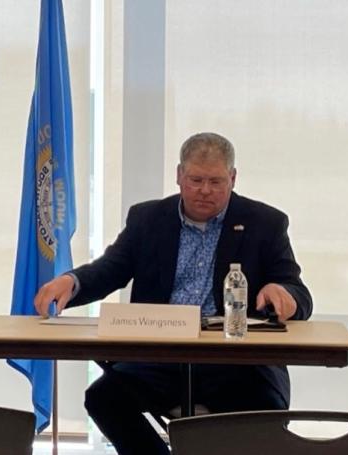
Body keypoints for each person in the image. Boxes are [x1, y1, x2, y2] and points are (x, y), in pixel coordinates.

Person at [34, 132, 312, 454]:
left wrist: (283, 293)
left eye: (216, 181)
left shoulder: (265, 223)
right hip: (161, 356)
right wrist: (72, 282)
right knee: (103, 398)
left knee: (267, 408)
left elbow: (297, 291)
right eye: (195, 179)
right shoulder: (148, 219)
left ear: (233, 178)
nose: (205, 190)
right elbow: (110, 269)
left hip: (236, 362)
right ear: (179, 175)